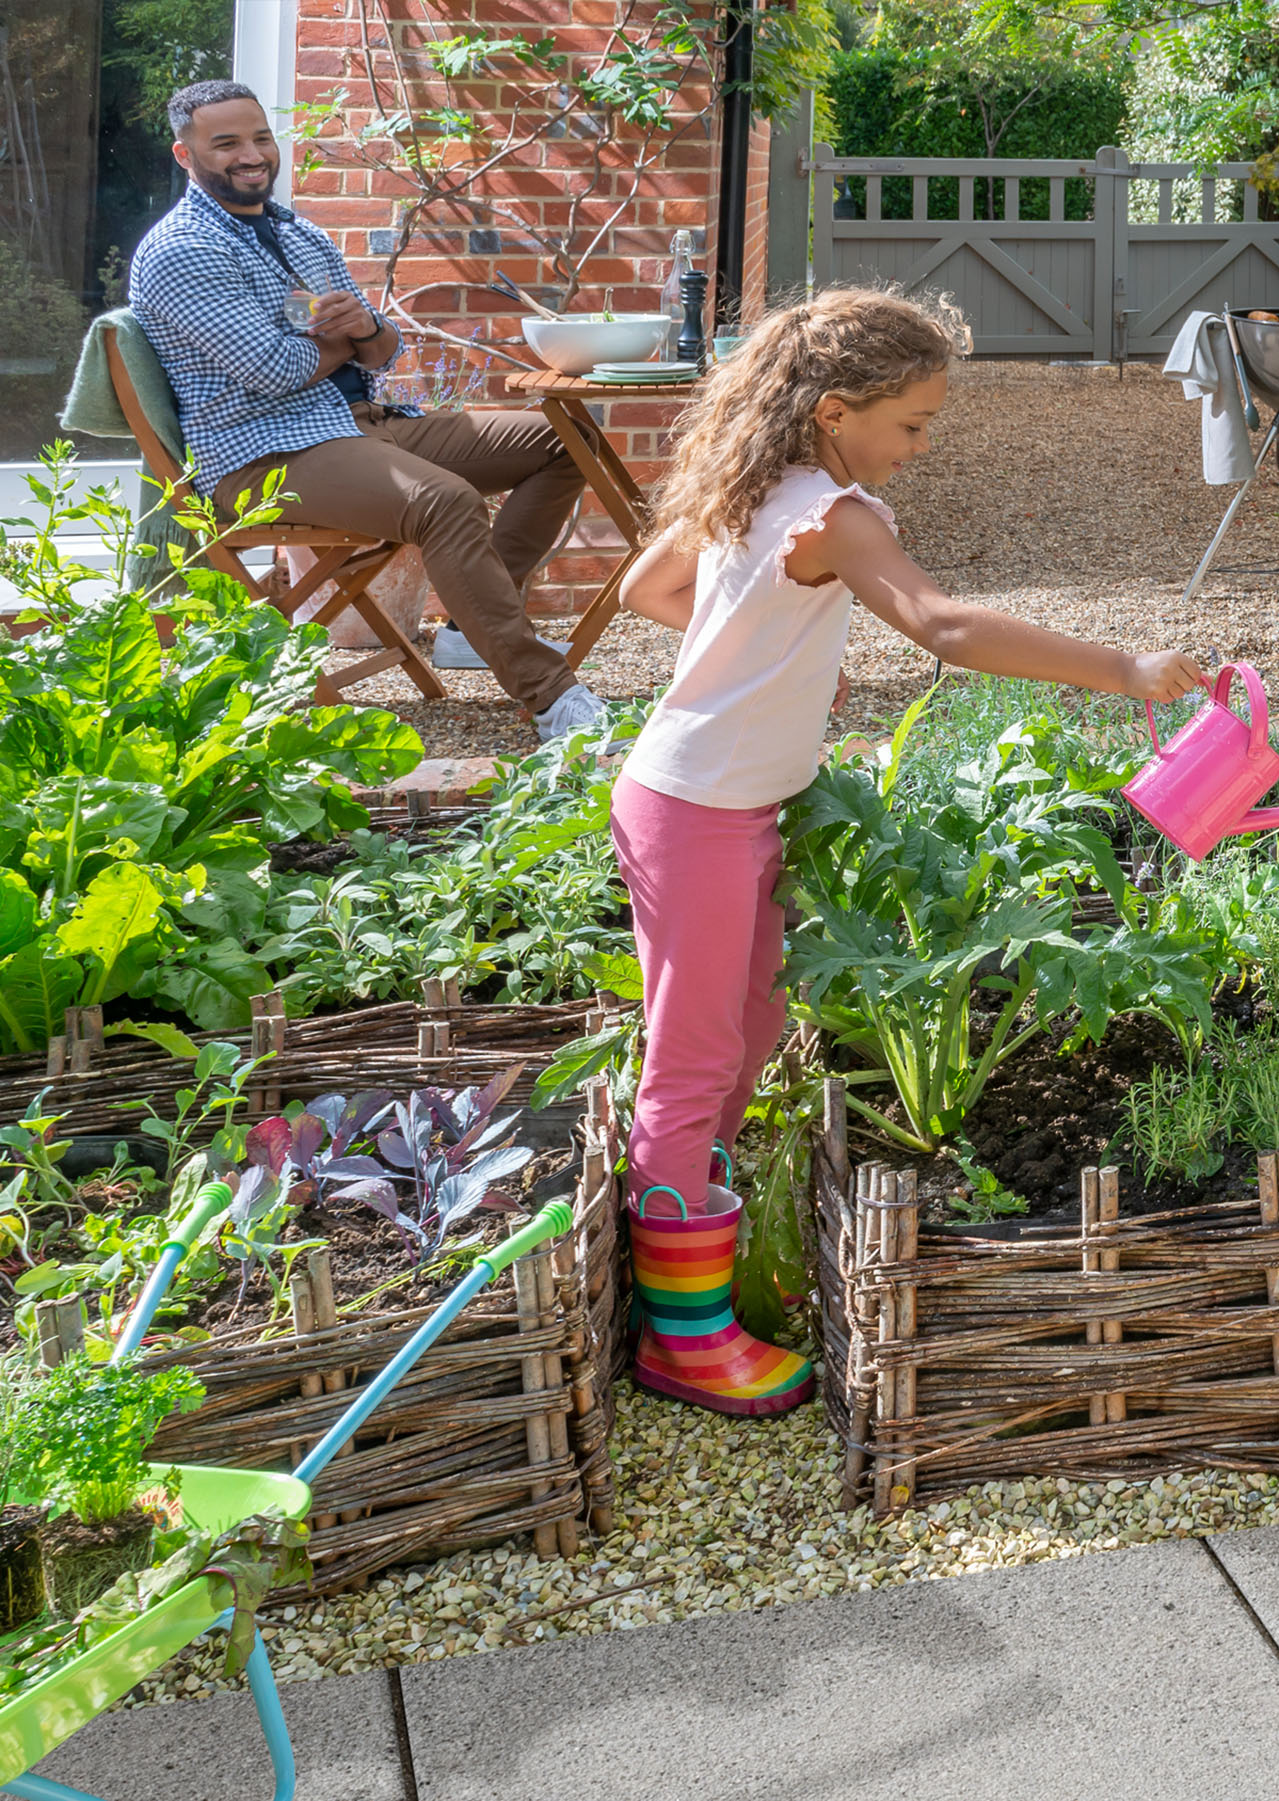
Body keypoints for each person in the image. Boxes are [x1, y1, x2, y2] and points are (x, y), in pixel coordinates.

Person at [605, 287, 1205, 1414]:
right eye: (913, 424)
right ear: (835, 410)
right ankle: (679, 1340)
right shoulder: (838, 512)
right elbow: (941, 626)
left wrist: (759, 650)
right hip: (694, 811)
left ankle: (692, 1265)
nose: (921, 447)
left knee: (751, 1031)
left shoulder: (751, 479)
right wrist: (1122, 667)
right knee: (692, 1061)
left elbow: (651, 590)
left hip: (713, 802)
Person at [127, 79, 606, 741]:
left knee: (568, 438)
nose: (252, 154)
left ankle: (472, 630)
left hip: (354, 425)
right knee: (443, 500)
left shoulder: (298, 236)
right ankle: (557, 703)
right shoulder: (184, 252)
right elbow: (275, 371)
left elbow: (381, 351)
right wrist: (339, 338)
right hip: (264, 454)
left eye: (261, 137)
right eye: (226, 142)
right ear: (186, 156)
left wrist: (358, 329)